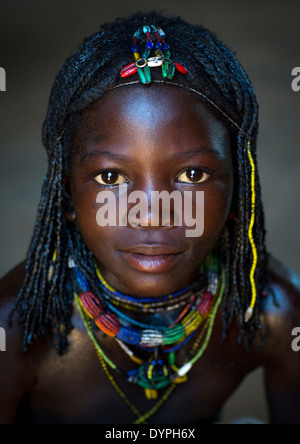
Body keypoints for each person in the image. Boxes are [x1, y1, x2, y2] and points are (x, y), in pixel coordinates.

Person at [0, 11, 299, 425]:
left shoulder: (271, 310)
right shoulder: (17, 327)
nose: (153, 214)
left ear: (238, 188)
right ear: (67, 193)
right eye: (111, 177)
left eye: (192, 175)